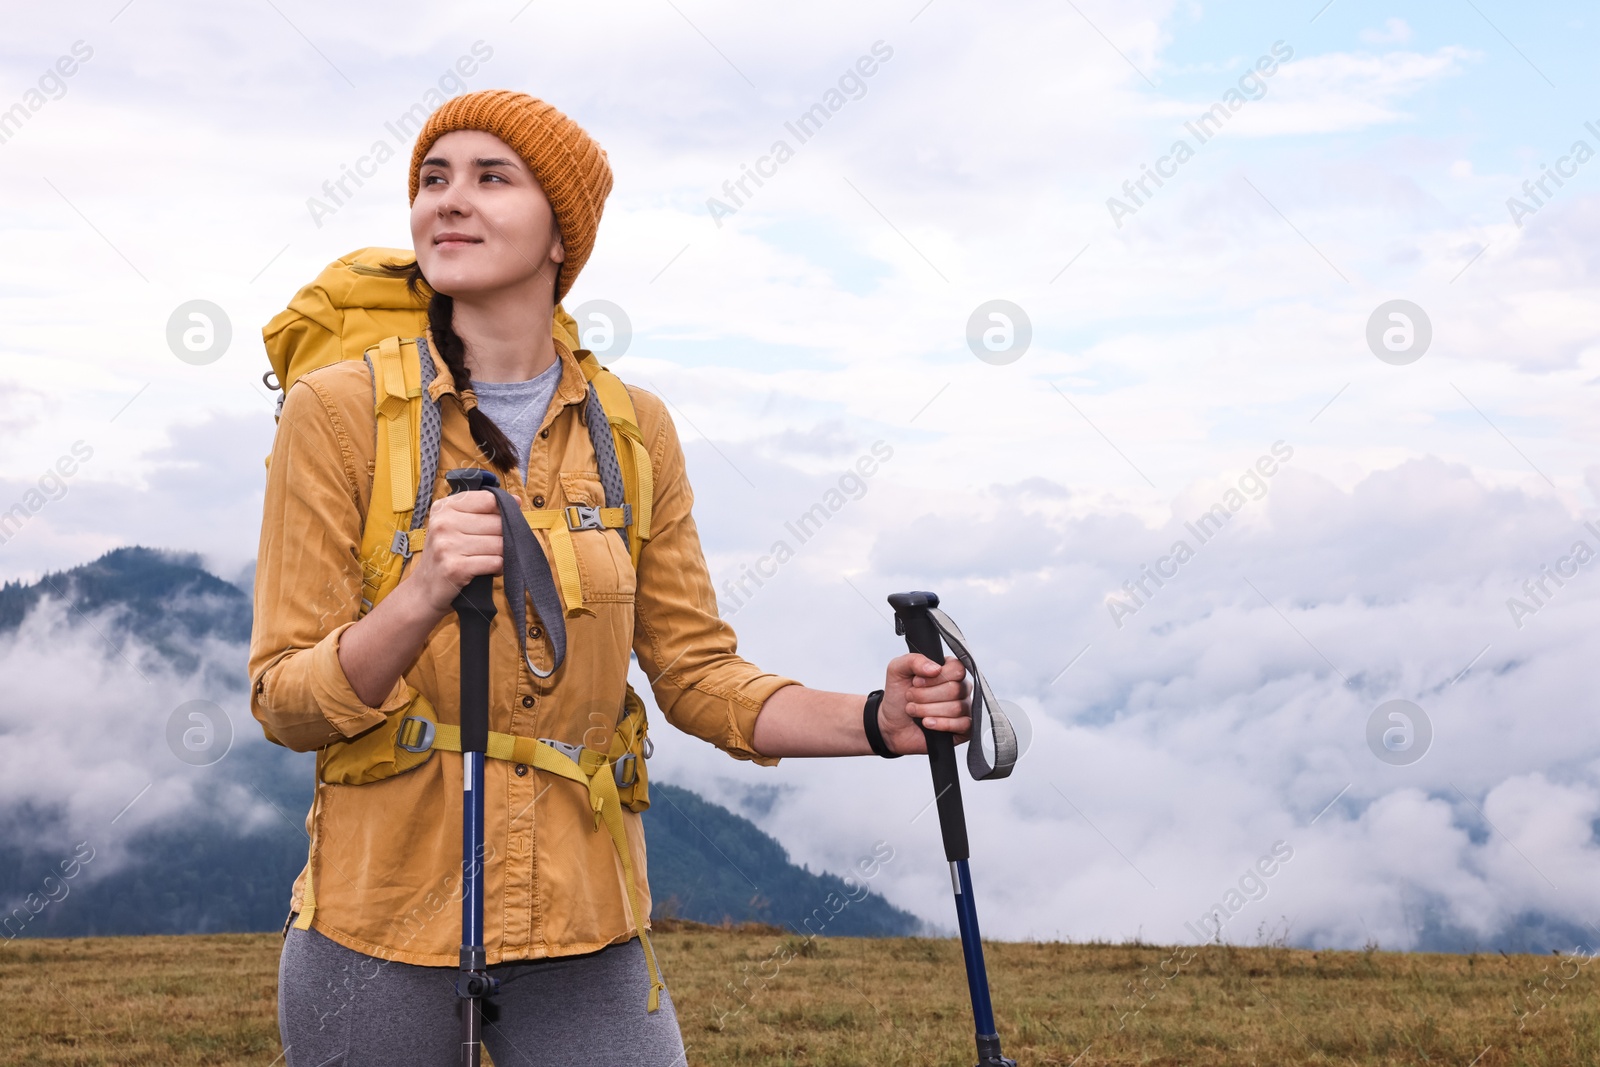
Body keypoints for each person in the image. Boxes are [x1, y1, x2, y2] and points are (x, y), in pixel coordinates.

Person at [248, 89, 972, 1066]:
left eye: (491, 177)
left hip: (586, 927)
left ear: (562, 233)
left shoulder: (630, 428)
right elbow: (286, 699)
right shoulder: (332, 413)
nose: (449, 201)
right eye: (432, 178)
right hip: (375, 932)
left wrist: (876, 723)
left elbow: (696, 674)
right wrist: (421, 591)